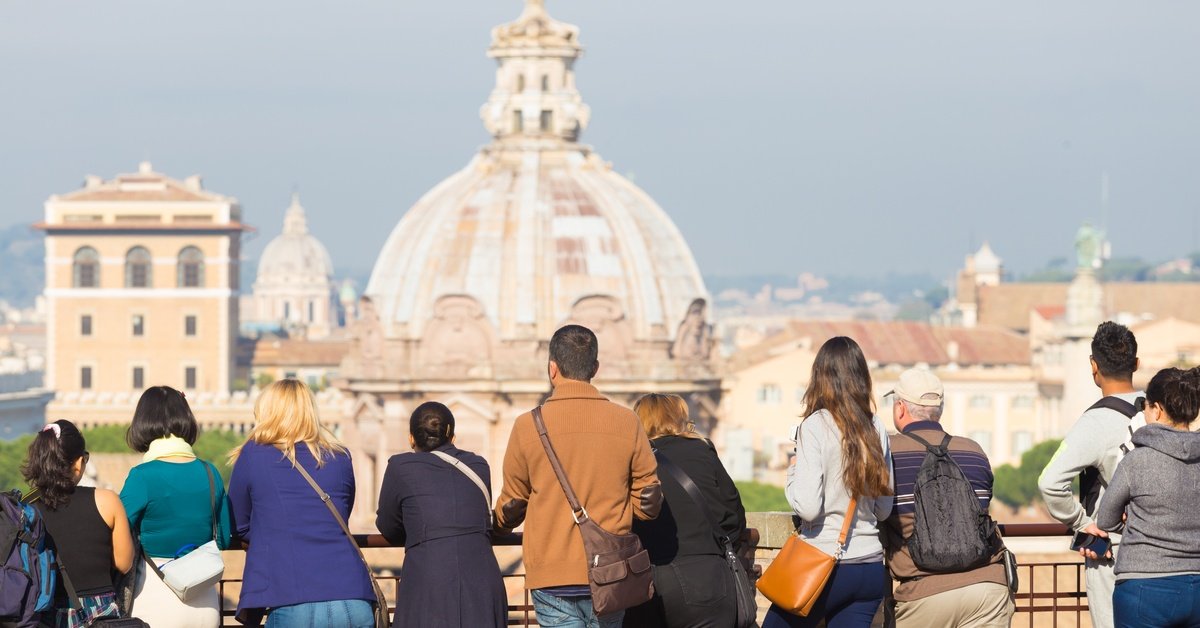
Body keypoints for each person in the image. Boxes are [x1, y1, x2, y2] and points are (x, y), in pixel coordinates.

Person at [494, 324, 663, 628]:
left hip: (551, 573)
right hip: (610, 573)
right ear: (595, 368)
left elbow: (512, 505)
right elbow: (648, 501)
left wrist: (499, 524)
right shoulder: (628, 422)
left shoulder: (526, 426)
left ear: (552, 369)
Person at [763, 336, 893, 628]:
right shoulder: (877, 426)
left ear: (820, 376)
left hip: (825, 566)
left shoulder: (815, 425)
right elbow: (884, 509)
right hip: (870, 567)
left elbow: (808, 508)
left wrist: (792, 469)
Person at [227, 379, 375, 627]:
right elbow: (339, 517)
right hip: (353, 598)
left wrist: (272, 531)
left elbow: (237, 523)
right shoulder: (340, 456)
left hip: (292, 596)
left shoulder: (253, 454)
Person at [881, 368, 1014, 627]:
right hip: (988, 587)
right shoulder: (973, 450)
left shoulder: (887, 453)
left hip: (923, 594)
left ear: (899, 408)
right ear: (939, 410)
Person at [1038, 321, 1142, 628]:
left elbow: (1050, 482)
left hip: (1114, 553)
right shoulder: (1160, 407)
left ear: (1093, 366)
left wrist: (1082, 523)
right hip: (1172, 555)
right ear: (1136, 364)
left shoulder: (1095, 422)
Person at [375, 401, 506, 627]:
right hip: (482, 581)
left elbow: (388, 526)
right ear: (452, 437)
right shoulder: (478, 465)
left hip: (428, 579)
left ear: (411, 439)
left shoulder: (400, 467)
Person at [623, 393, 747, 628]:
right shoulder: (702, 451)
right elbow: (733, 512)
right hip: (707, 576)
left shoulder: (634, 458)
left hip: (649, 575)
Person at [119, 386, 233, 627]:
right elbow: (223, 537)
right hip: (205, 601)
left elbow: (115, 535)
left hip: (155, 596)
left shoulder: (142, 476)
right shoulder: (210, 472)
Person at [1096, 367, 1200, 628]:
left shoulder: (1137, 460)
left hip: (1144, 587)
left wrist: (1134, 520)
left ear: (1157, 409)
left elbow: (1106, 519)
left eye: (1145, 406)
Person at [22, 420, 135, 627]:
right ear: (77, 463)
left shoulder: (25, 509)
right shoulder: (107, 500)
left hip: (44, 612)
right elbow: (124, 563)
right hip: (100, 612)